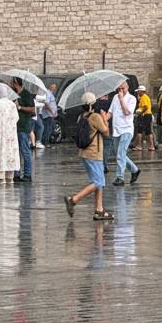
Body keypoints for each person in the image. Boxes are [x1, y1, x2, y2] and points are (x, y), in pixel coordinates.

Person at [65, 92, 112, 221]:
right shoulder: (95, 117)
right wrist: (104, 119)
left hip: (84, 153)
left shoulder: (81, 117)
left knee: (99, 182)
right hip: (94, 154)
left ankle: (99, 210)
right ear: (93, 104)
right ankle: (74, 199)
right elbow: (106, 133)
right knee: (98, 182)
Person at [108, 80, 141, 186]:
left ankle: (120, 177)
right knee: (119, 154)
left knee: (121, 153)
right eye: (119, 89)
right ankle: (135, 170)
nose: (121, 91)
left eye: (123, 88)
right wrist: (103, 120)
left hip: (126, 129)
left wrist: (122, 99)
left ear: (127, 88)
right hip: (116, 129)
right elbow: (110, 112)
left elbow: (127, 112)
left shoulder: (132, 99)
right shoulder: (114, 98)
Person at [0, 94, 20, 183]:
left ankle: (1, 178)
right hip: (11, 136)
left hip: (0, 135)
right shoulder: (12, 105)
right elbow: (16, 118)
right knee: (10, 154)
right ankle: (10, 177)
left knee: (1, 154)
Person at [9, 78, 34, 182]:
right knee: (15, 151)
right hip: (14, 127)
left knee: (25, 151)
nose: (10, 84)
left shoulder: (26, 94)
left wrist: (19, 108)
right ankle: (17, 173)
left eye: (11, 83)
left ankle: (27, 174)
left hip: (23, 126)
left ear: (16, 83)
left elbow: (32, 108)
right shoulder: (12, 94)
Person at [133, 85, 155, 151]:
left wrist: (140, 112)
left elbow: (145, 107)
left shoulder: (144, 97)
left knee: (139, 131)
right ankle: (151, 146)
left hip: (144, 116)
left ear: (141, 91)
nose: (137, 93)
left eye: (138, 91)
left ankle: (139, 146)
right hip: (148, 115)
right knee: (148, 132)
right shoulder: (145, 97)